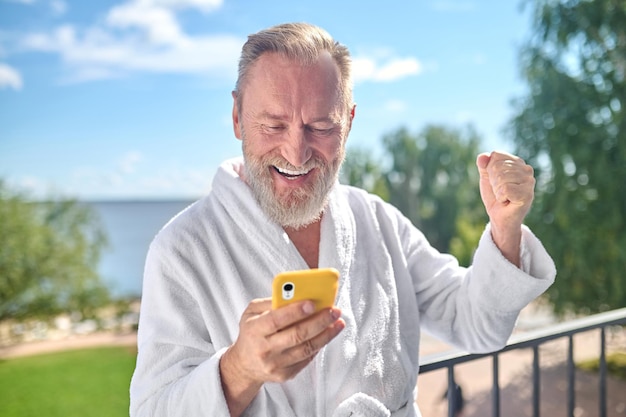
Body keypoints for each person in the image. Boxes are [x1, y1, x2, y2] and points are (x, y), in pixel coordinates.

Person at [129, 22, 556, 417]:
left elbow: (475, 324)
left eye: (320, 126)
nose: (296, 153)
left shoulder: (377, 221)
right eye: (273, 125)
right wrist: (238, 369)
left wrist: (505, 226)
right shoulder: (182, 249)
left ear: (348, 123)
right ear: (238, 117)